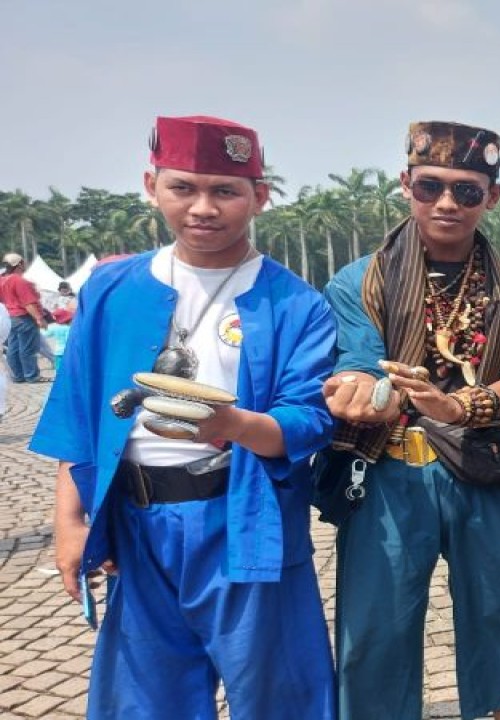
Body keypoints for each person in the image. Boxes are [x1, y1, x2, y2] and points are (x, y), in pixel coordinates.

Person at [29, 115, 337, 719]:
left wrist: (233, 426)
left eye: (225, 191)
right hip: (138, 522)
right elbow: (81, 410)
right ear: (151, 185)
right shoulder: (111, 290)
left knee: (278, 691)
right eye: (183, 188)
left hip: (244, 518)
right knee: (146, 696)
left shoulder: (296, 303)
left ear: (259, 197)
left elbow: (308, 421)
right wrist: (70, 520)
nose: (203, 208)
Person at [321, 120, 500, 720]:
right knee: (374, 628)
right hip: (389, 473)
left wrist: (462, 406)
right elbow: (355, 361)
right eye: (431, 186)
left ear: (492, 197)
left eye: (468, 190)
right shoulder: (360, 281)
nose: (448, 202)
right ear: (407, 185)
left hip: (488, 468)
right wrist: (358, 390)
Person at [1, 252, 49, 382]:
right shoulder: (20, 281)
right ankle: (31, 375)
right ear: (19, 264)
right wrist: (40, 319)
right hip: (23, 318)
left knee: (12, 348)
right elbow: (28, 303)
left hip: (9, 318)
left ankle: (17, 375)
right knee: (28, 348)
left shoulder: (2, 280)